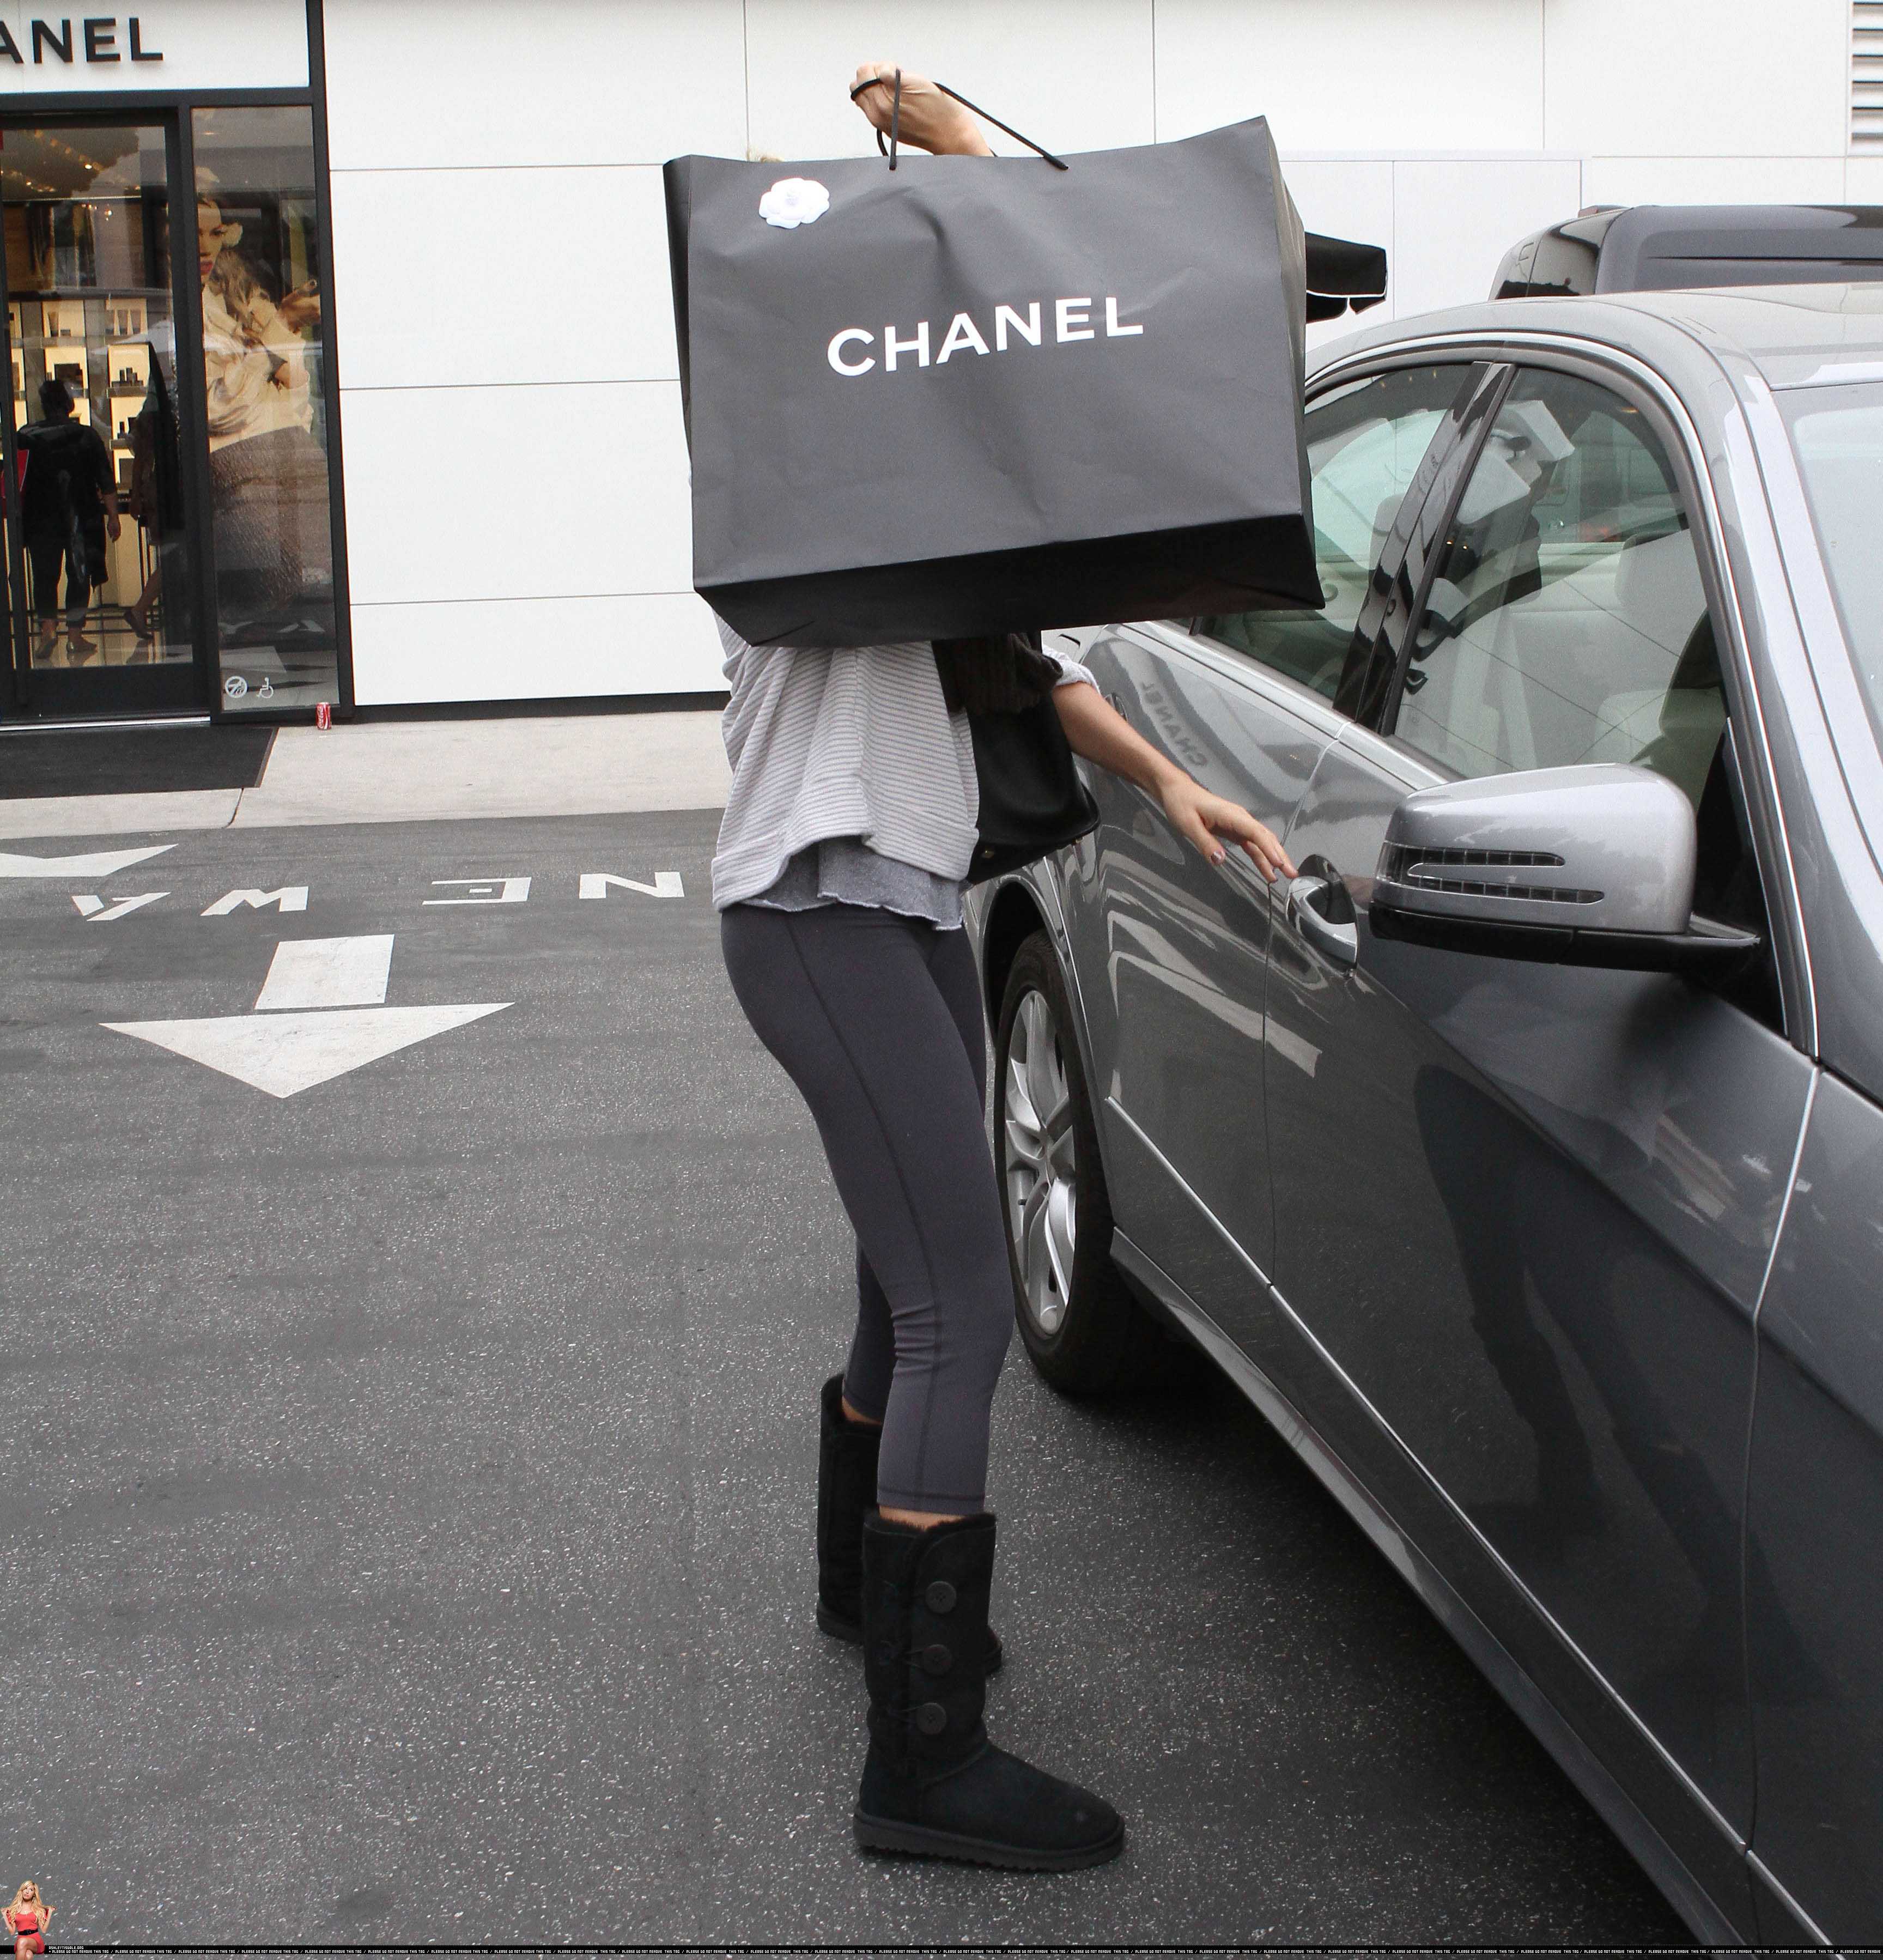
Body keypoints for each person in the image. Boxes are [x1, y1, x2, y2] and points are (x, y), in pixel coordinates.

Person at [713, 61, 1298, 1872]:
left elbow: (1017, 663)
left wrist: (1173, 782)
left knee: (909, 1266)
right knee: (964, 1298)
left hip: (885, 903)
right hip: (816, 909)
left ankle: (868, 1588)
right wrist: (966, 159)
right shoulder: (814, 473)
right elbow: (1005, 376)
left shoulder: (910, 507)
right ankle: (925, 1758)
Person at [16, 377, 119, 664]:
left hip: (40, 518)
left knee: (45, 575)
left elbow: (17, 480)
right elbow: (105, 479)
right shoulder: (86, 436)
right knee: (79, 573)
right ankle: (75, 636)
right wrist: (113, 516)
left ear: (43, 405)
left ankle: (48, 628)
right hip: (81, 516)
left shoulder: (26, 435)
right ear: (68, 403)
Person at [4, 1881, 52, 1957]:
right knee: (28, 1955)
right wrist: (4, 1916)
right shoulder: (14, 1910)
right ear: (22, 1891)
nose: (27, 1892)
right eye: (26, 1888)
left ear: (34, 1894)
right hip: (20, 1940)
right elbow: (12, 1932)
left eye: (31, 1890)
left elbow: (44, 1930)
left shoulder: (38, 1910)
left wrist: (50, 1913)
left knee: (22, 1942)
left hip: (35, 1940)